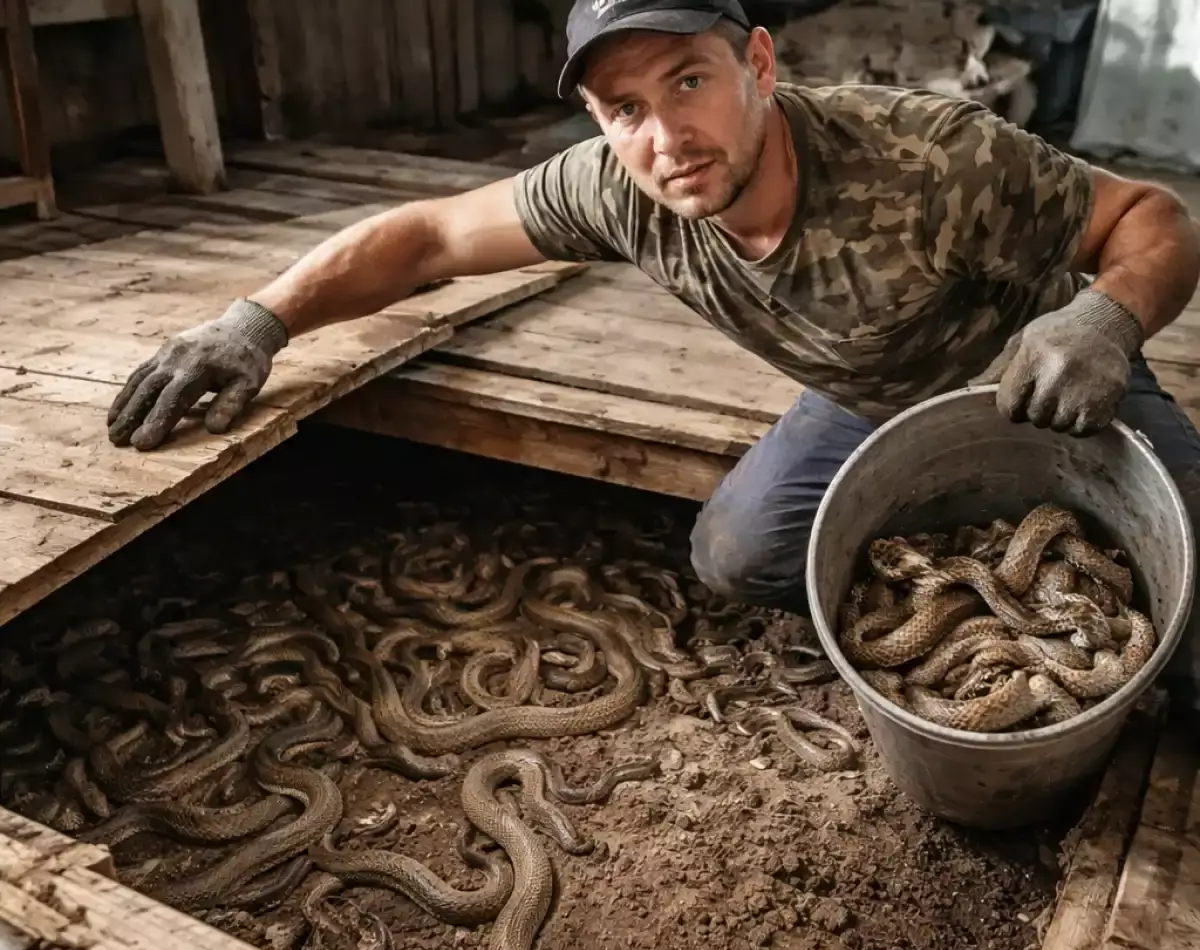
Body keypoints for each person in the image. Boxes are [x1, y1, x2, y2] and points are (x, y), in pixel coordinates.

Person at [106, 0, 1200, 683]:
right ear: (597, 121)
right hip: (870, 393)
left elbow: (1155, 218)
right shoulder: (619, 188)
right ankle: (956, 577)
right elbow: (428, 238)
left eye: (690, 81)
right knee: (738, 554)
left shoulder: (931, 160)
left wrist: (1103, 318)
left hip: (1042, 376)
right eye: (624, 107)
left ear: (758, 66)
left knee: (1189, 613)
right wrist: (261, 320)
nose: (667, 136)